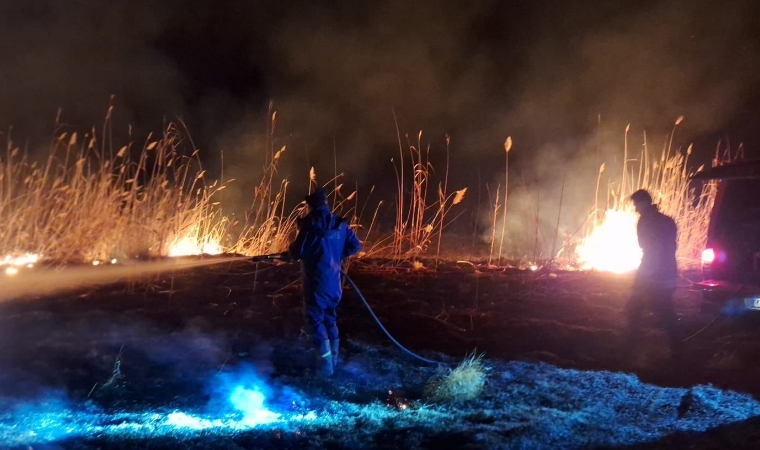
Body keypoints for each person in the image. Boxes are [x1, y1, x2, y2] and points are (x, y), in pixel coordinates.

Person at [288, 188, 362, 377]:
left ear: (310, 205)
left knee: (315, 320)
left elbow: (296, 253)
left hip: (316, 284)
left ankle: (325, 370)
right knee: (330, 318)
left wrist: (291, 254)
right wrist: (336, 257)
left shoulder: (309, 225)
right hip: (334, 285)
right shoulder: (339, 224)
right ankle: (333, 363)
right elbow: (356, 245)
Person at [625, 189, 680, 356]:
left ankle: (630, 344)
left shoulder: (645, 222)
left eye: (637, 205)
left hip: (653, 270)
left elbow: (648, 247)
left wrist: (650, 273)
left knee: (638, 305)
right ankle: (675, 345)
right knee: (664, 308)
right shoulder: (668, 221)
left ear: (644, 203)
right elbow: (671, 246)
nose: (636, 209)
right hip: (668, 269)